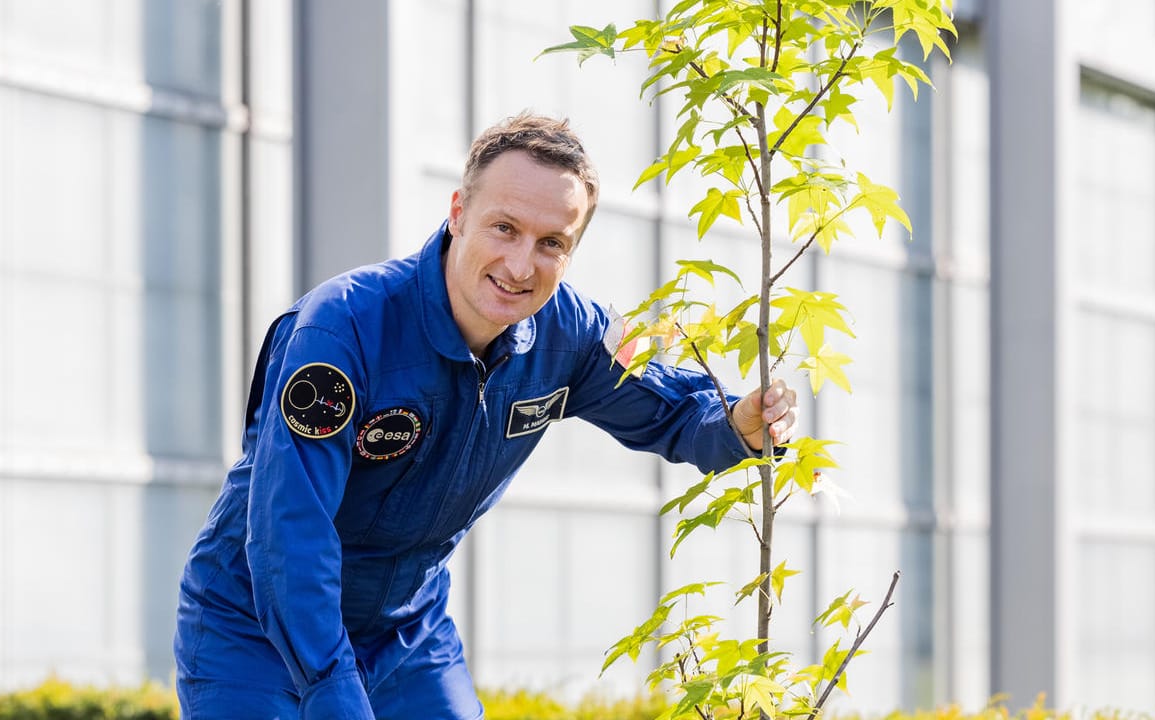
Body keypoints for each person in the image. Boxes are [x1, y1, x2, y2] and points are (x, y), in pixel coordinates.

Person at [173, 112, 799, 719]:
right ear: (458, 214)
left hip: (405, 632)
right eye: (505, 228)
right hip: (257, 626)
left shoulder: (574, 333)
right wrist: (335, 692)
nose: (522, 265)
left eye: (552, 242)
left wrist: (736, 427)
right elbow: (290, 534)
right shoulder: (342, 329)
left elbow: (674, 409)